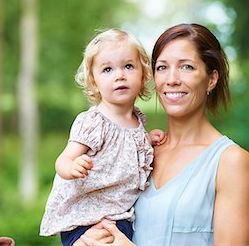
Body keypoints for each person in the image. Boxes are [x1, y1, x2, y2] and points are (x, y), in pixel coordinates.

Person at [77, 23, 249, 246]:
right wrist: (89, 237)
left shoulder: (230, 162)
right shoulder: (140, 151)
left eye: (187, 67)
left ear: (212, 79)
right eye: (162, 67)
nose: (172, 79)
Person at [39, 29, 166, 246]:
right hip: (84, 219)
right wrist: (71, 167)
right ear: (94, 82)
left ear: (143, 75)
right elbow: (63, 159)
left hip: (119, 218)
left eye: (128, 66)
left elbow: (130, 148)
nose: (120, 75)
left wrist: (149, 140)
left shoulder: (137, 121)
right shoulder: (94, 122)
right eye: (107, 69)